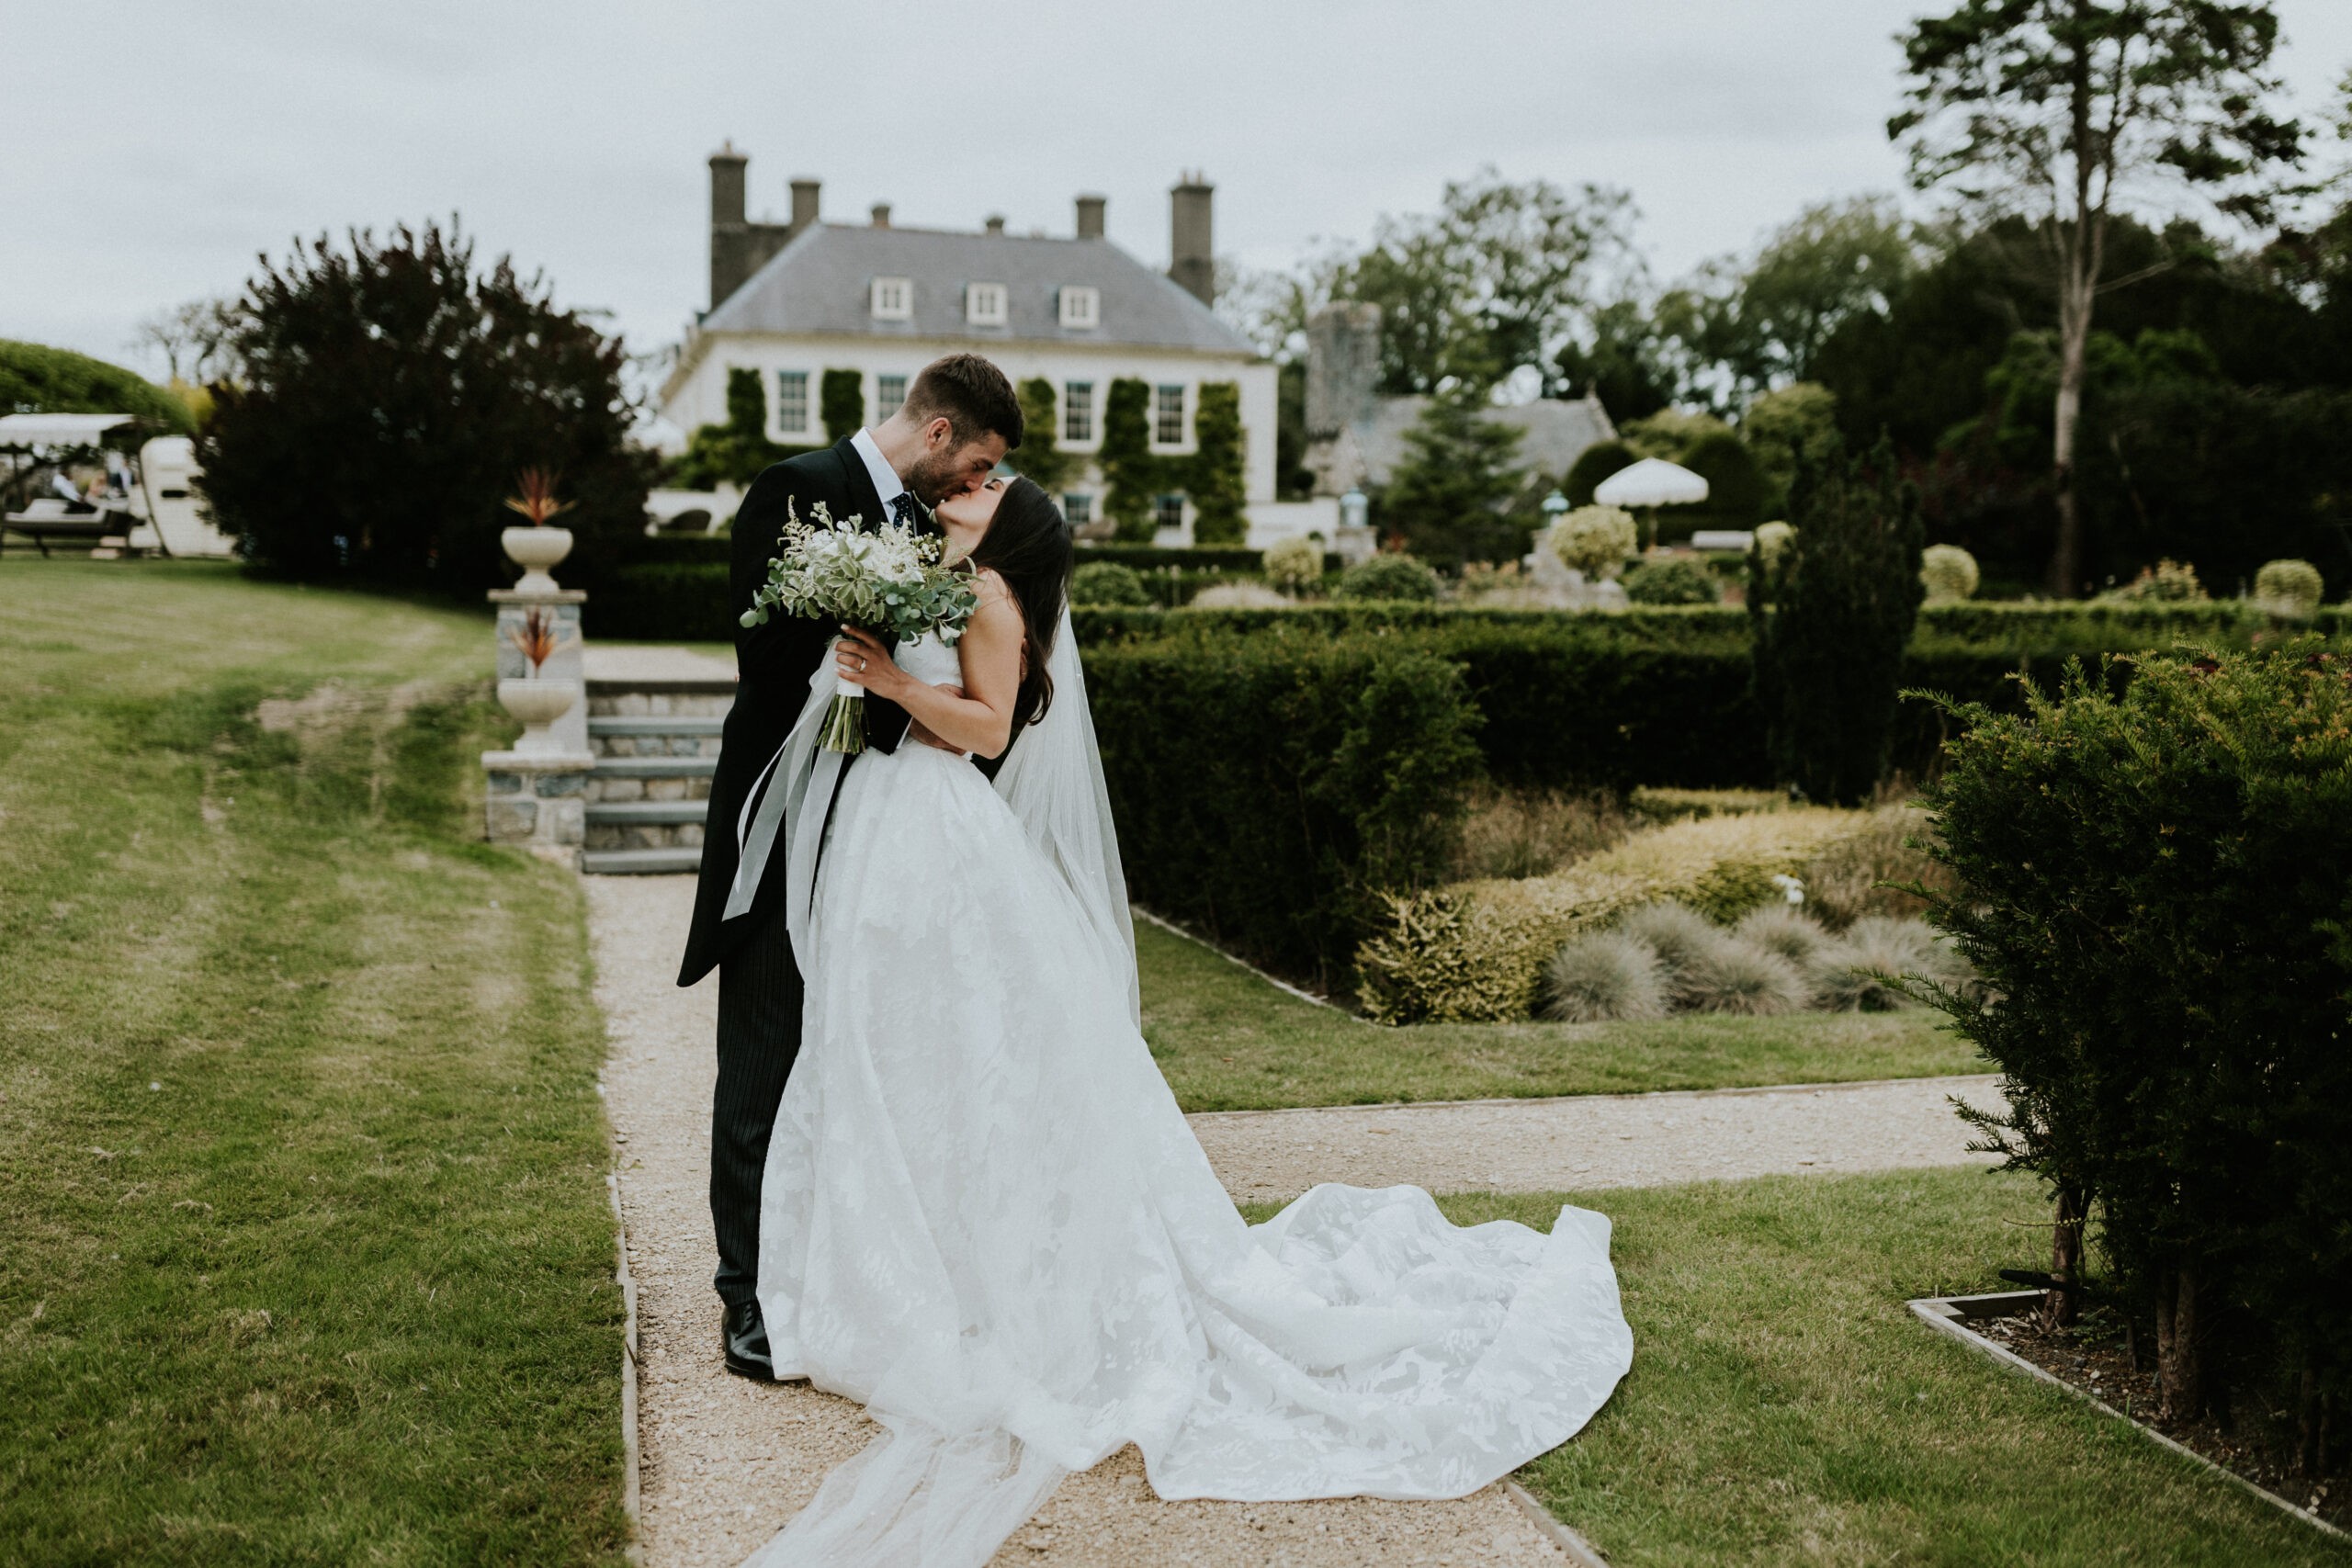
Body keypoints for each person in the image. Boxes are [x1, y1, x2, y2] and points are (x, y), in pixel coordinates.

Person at [737, 472, 1634, 1567]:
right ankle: (915, 1254)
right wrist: (863, 671)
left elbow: (982, 729)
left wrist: (886, 679)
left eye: (983, 487)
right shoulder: (937, 578)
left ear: (1007, 525)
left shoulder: (992, 599)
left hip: (941, 818)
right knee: (912, 1050)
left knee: (970, 1051)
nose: (963, 492)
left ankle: (976, 1279)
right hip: (893, 821)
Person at [675, 353, 1023, 1384]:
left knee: (863, 1055)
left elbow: (957, 677)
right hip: (789, 824)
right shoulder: (793, 490)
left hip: (886, 836)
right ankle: (744, 1296)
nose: (969, 492)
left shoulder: (930, 535)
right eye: (973, 468)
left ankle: (836, 1268)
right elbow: (768, 665)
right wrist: (864, 677)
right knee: (764, 1046)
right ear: (939, 434)